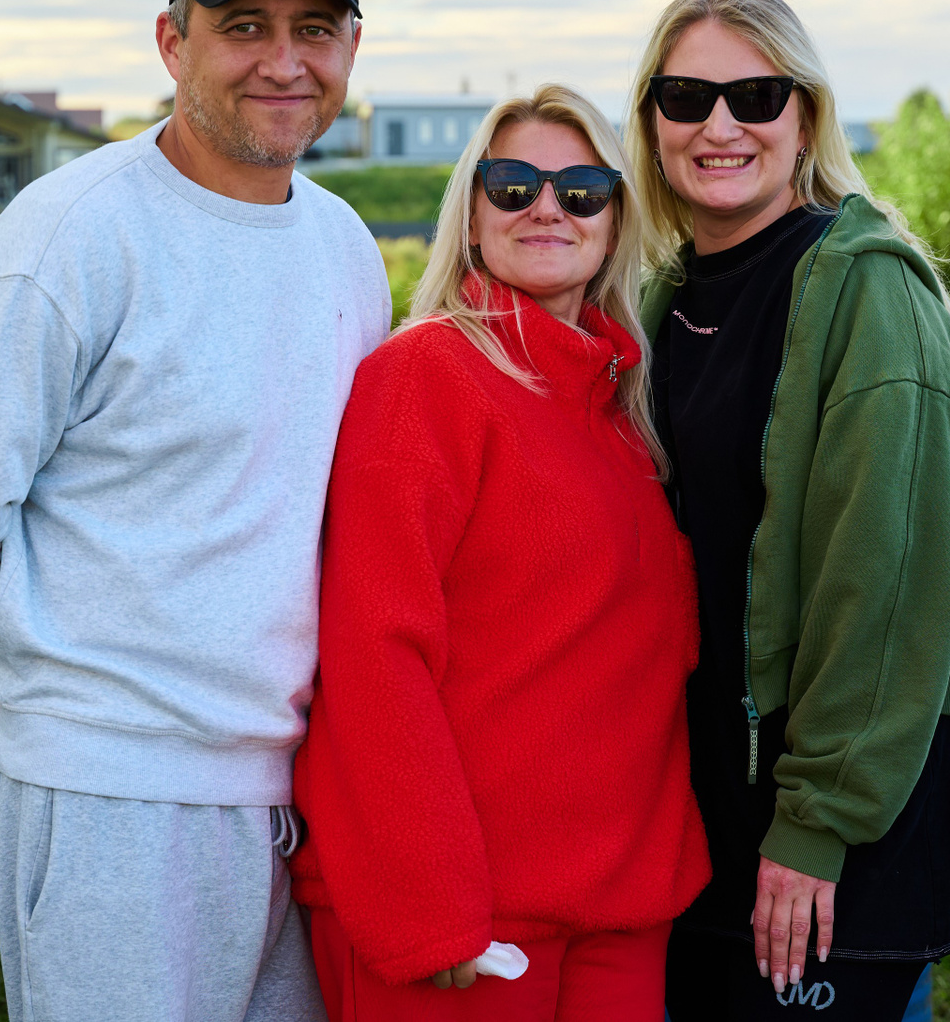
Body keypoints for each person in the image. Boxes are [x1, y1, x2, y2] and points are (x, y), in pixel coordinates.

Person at [0, 0, 392, 1022]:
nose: (283, 62)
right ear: (172, 41)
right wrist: (98, 641)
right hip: (111, 794)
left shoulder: (344, 245)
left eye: (314, 29)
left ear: (351, 48)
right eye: (244, 27)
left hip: (296, 786)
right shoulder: (73, 236)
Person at [631, 0, 950, 1021]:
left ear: (804, 117)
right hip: (710, 805)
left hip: (842, 808)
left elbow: (894, 582)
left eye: (756, 95)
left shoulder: (866, 290)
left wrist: (819, 820)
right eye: (687, 96)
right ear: (653, 122)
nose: (721, 124)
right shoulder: (664, 299)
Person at [290, 84, 712, 1021]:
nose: (548, 207)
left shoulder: (620, 407)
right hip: (467, 921)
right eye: (514, 184)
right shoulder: (426, 376)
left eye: (582, 189)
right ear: (473, 216)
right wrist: (429, 905)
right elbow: (373, 651)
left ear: (616, 219)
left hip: (620, 906)